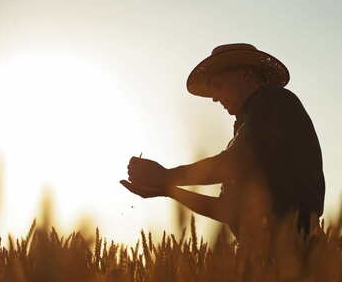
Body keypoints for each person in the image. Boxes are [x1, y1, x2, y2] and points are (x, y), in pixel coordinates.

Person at [120, 43, 325, 238]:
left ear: (246, 76)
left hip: (294, 253)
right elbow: (227, 209)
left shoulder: (274, 100)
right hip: (269, 259)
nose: (215, 98)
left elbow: (234, 164)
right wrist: (168, 190)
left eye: (218, 85)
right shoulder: (246, 127)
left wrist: (166, 176)